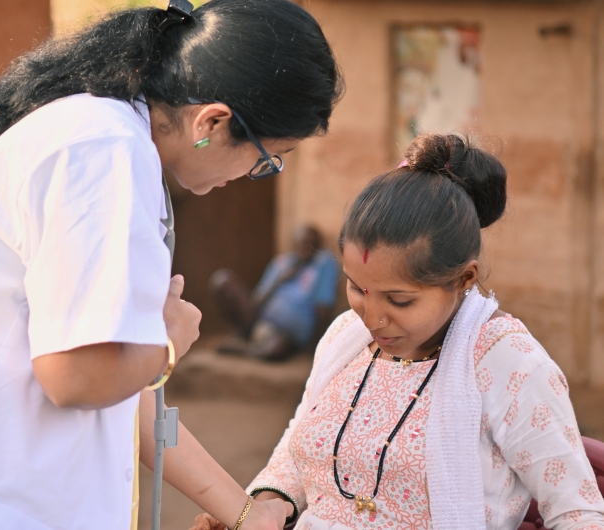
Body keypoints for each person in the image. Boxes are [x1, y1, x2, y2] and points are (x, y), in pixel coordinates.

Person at [0, 0, 343, 529]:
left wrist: (246, 512)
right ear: (212, 123)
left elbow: (126, 392)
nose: (253, 175)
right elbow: (80, 376)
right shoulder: (102, 153)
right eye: (268, 160)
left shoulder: (113, 148)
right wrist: (165, 342)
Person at [192, 134, 604, 529]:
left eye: (399, 300)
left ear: (464, 279)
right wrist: (254, 512)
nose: (371, 318)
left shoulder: (508, 363)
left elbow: (578, 514)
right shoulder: (344, 338)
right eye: (356, 288)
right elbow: (298, 452)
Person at [210, 225, 339, 360]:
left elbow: (323, 308)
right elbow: (256, 301)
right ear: (294, 245)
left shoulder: (323, 264)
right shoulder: (282, 263)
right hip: (259, 319)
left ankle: (242, 348)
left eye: (311, 243)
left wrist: (314, 346)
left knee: (274, 351)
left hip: (287, 333)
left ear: (318, 246)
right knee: (222, 281)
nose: (306, 247)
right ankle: (244, 335)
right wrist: (279, 280)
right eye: (302, 243)